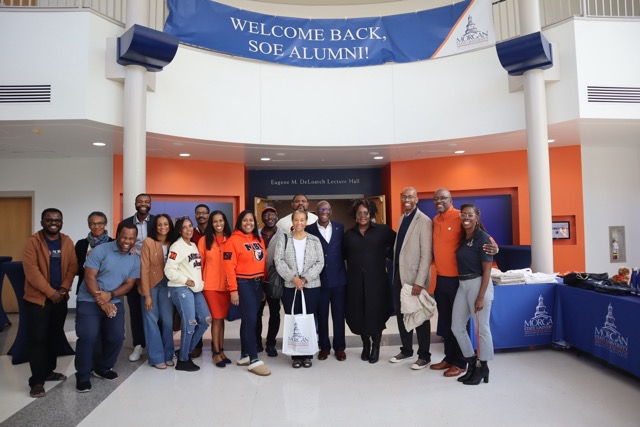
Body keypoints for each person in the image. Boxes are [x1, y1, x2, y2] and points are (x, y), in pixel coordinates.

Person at [431, 188, 498, 378]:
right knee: (448, 323)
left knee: (473, 326)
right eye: (436, 199)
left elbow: (488, 241)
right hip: (445, 279)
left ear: (450, 199)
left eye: (443, 198)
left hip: (464, 281)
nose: (439, 201)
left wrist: (496, 249)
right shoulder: (436, 220)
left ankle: (463, 363)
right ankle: (451, 358)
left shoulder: (459, 217)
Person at [75, 222, 140, 393]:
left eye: (132, 238)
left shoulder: (134, 257)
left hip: (114, 300)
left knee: (116, 336)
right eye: (125, 237)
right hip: (89, 300)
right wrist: (102, 301)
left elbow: (129, 284)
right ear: (118, 235)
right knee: (88, 336)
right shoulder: (101, 250)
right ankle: (82, 375)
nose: (128, 241)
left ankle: (102, 367)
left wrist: (110, 296)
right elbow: (89, 277)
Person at [22, 208, 78, 398]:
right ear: (42, 221)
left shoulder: (67, 241)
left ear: (61, 222)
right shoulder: (33, 242)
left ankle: (48, 371)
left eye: (57, 220)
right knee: (38, 340)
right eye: (49, 219)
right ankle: (36, 381)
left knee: (54, 336)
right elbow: (32, 272)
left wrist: (63, 289)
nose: (53, 222)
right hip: (38, 301)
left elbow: (72, 266)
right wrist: (50, 293)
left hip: (60, 298)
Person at [343, 199, 396, 364]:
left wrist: (387, 257)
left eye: (365, 213)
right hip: (355, 282)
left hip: (377, 282)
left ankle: (376, 347)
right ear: (355, 215)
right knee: (359, 314)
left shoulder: (382, 231)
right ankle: (366, 345)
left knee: (376, 314)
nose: (362, 216)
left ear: (371, 213)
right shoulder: (349, 235)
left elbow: (398, 244)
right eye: (359, 213)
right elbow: (342, 255)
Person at [389, 187, 433, 370]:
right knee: (402, 314)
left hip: (414, 279)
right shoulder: (403, 218)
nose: (407, 199)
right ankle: (406, 350)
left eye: (411, 196)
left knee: (419, 316)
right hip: (399, 276)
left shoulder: (423, 221)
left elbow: (426, 254)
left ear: (417, 199)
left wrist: (419, 282)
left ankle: (424, 355)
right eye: (405, 196)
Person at [223, 210, 271, 376]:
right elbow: (228, 267)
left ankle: (244, 355)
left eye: (251, 220)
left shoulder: (258, 239)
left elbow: (262, 263)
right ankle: (254, 359)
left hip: (257, 284)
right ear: (239, 222)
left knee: (249, 320)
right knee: (251, 321)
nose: (248, 223)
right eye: (245, 220)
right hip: (243, 284)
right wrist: (233, 291)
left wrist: (263, 286)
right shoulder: (232, 241)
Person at [275, 209, 324, 368]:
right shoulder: (284, 239)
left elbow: (320, 262)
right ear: (292, 221)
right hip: (290, 286)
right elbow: (279, 261)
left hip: (311, 286)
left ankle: (307, 353)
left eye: (302, 220)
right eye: (296, 220)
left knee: (309, 318)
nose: (299, 223)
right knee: (293, 318)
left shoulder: (315, 240)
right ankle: (296, 355)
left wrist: (305, 278)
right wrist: (293, 278)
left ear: (307, 221)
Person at [452, 203, 494, 385]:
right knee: (457, 327)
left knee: (481, 329)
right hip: (462, 285)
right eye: (463, 215)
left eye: (470, 215)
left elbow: (487, 270)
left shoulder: (482, 238)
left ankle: (483, 366)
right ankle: (471, 362)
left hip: (479, 284)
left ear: (477, 217)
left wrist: (481, 296)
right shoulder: (464, 237)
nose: (466, 218)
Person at [164, 217, 211, 372]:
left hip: (195, 289)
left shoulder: (193, 245)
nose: (189, 229)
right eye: (185, 227)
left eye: (190, 226)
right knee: (190, 323)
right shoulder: (177, 247)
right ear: (179, 230)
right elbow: (169, 270)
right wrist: (186, 280)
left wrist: (198, 284)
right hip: (181, 288)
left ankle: (184, 351)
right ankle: (183, 360)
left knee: (205, 320)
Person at [306, 200, 348, 362]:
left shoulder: (339, 227)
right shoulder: (310, 229)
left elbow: (343, 250)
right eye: (322, 209)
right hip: (319, 281)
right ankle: (324, 346)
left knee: (338, 316)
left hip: (339, 280)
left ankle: (340, 348)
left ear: (331, 212)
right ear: (316, 212)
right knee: (321, 315)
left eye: (328, 209)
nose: (325, 211)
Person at [118, 193, 154, 362]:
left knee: (154, 310)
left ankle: (154, 345)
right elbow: (119, 246)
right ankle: (138, 345)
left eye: (146, 201)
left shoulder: (157, 222)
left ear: (150, 204)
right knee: (135, 310)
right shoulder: (125, 224)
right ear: (135, 203)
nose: (143, 204)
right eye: (140, 201)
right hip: (132, 272)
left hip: (153, 274)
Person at [140, 214, 176, 369]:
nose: (163, 227)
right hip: (152, 286)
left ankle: (168, 354)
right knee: (151, 321)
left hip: (168, 286)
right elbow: (144, 269)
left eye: (166, 224)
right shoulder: (148, 242)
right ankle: (156, 357)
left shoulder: (173, 243)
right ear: (155, 226)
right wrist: (147, 295)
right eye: (159, 224)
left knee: (168, 321)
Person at [198, 210, 233, 367]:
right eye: (215, 221)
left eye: (221, 221)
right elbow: (200, 265)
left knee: (221, 320)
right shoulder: (204, 241)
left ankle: (221, 349)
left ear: (225, 222)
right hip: (211, 286)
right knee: (217, 319)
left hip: (226, 287)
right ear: (211, 224)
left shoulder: (231, 240)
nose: (218, 224)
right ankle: (216, 353)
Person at [256, 206, 284, 357]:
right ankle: (256, 341)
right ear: (262, 219)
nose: (269, 218)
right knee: (257, 312)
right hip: (257, 279)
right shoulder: (255, 234)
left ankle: (271, 343)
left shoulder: (284, 234)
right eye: (266, 215)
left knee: (274, 312)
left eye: (272, 215)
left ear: (276, 216)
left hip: (275, 278)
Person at [75, 211, 114, 294]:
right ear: (89, 225)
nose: (97, 227)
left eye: (100, 224)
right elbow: (75, 269)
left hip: (109, 289)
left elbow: (117, 268)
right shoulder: (81, 244)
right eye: (93, 224)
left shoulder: (114, 243)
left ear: (105, 224)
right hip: (85, 290)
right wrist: (87, 261)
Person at [190, 204, 210, 357]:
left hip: (211, 279)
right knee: (196, 316)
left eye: (204, 213)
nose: (201, 215)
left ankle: (218, 346)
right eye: (198, 213)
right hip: (194, 280)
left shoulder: (214, 232)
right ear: (195, 215)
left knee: (211, 316)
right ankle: (196, 345)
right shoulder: (191, 233)